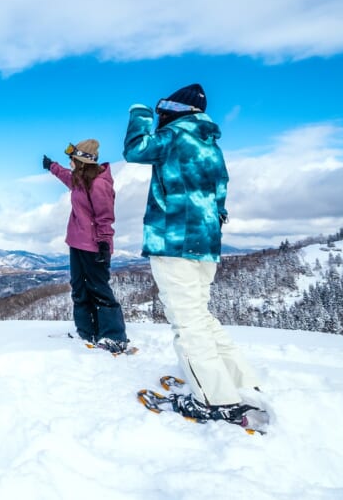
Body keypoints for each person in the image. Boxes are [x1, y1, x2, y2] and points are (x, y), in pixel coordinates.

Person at [123, 83, 267, 427]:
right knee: (200, 316)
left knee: (187, 325)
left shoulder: (174, 135)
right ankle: (240, 380)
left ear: (174, 109)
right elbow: (220, 198)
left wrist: (139, 113)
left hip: (174, 242)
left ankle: (214, 399)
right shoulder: (210, 145)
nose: (160, 116)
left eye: (162, 111)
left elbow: (136, 149)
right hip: (205, 244)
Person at [42, 139, 130, 353]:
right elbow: (66, 177)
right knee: (79, 288)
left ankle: (113, 336)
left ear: (82, 161)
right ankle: (86, 331)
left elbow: (105, 217)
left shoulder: (99, 184)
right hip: (77, 243)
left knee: (99, 290)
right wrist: (52, 166)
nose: (69, 162)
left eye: (72, 159)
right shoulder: (79, 180)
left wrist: (103, 243)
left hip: (94, 246)